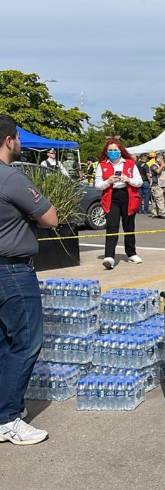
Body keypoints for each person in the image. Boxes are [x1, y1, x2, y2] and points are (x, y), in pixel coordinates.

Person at [0, 115, 58, 445]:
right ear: (9, 140)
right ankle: (8, 418)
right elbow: (50, 217)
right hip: (12, 271)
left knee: (3, 344)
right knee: (25, 342)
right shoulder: (11, 178)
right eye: (18, 138)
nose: (20, 143)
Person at [95, 137, 144, 270]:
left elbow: (139, 182)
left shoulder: (129, 163)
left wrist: (127, 179)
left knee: (129, 226)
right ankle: (109, 256)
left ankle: (131, 253)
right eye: (110, 150)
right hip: (111, 197)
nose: (113, 152)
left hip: (128, 196)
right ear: (106, 152)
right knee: (112, 226)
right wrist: (108, 181)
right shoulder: (102, 165)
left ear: (120, 151)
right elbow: (98, 185)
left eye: (115, 150)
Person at [149, 154, 165, 219]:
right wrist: (162, 165)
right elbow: (158, 171)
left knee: (156, 200)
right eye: (161, 159)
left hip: (160, 185)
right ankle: (164, 213)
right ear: (157, 159)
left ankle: (155, 213)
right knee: (159, 199)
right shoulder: (153, 166)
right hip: (156, 185)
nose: (162, 160)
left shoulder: (160, 165)